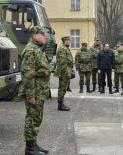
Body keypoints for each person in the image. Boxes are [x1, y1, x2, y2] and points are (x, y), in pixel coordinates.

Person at [19, 26, 50, 155]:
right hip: (34, 92)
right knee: (32, 118)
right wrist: (30, 95)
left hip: (39, 91)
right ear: (35, 35)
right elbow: (28, 74)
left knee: (37, 118)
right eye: (43, 34)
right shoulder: (31, 50)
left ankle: (34, 144)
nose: (45, 37)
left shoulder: (37, 49)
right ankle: (30, 148)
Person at [54, 36, 73, 111]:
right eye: (68, 40)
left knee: (64, 88)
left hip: (66, 71)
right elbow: (62, 62)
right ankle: (60, 105)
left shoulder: (66, 48)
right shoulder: (62, 49)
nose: (69, 42)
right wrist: (64, 73)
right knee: (62, 88)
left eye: (69, 40)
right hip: (63, 72)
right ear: (65, 41)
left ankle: (61, 103)